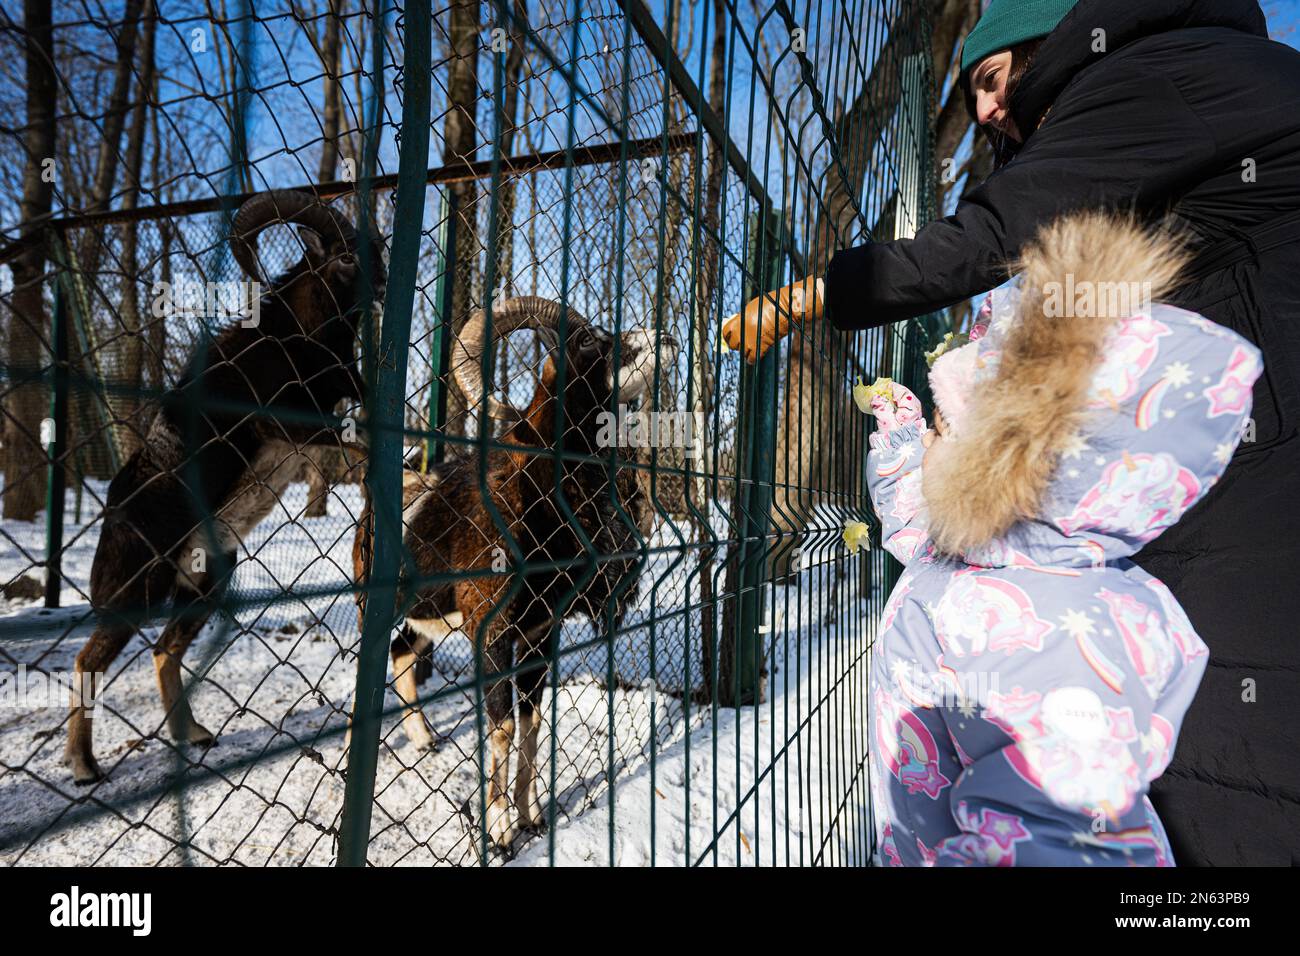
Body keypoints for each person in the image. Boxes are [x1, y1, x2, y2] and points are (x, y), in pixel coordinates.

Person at [724, 0, 1300, 866]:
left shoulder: (1156, 72)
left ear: (1051, 44)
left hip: (1255, 463)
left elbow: (989, 234)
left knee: (1228, 763)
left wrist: (815, 295)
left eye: (994, 80)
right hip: (1238, 446)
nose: (988, 110)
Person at [862, 211, 1260, 865]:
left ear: (1003, 467)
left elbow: (1053, 845)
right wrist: (904, 443)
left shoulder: (1064, 638)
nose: (937, 433)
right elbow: (917, 532)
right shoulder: (989, 560)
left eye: (946, 427)